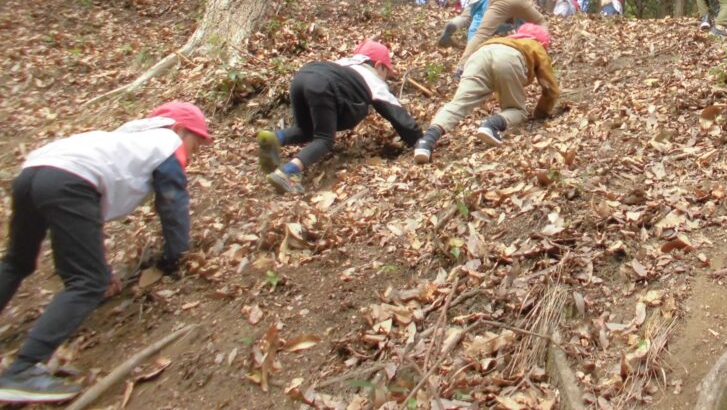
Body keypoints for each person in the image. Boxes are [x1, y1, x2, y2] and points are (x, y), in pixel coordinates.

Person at [0, 103, 210, 403]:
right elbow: (172, 203)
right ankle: (23, 370)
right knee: (88, 283)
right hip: (69, 182)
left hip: (33, 172)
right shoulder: (167, 143)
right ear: (179, 129)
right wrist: (177, 257)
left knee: (17, 261)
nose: (194, 152)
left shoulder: (123, 141)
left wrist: (102, 268)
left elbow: (80, 219)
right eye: (196, 142)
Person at [258, 40, 421, 195]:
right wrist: (419, 139)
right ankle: (288, 173)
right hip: (322, 85)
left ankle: (274, 138)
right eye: (387, 72)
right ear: (379, 66)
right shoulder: (374, 80)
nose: (386, 78)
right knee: (324, 139)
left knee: (306, 129)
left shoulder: (343, 63)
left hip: (302, 76)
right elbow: (396, 113)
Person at [414, 24, 559, 164]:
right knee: (518, 111)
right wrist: (541, 112)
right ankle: (491, 125)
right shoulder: (535, 45)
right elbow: (550, 88)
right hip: (509, 58)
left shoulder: (505, 39)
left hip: (478, 56)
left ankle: (426, 141)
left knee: (458, 104)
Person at [459, 0, 546, 74]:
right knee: (540, 22)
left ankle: (462, 67)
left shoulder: (486, 0)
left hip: (500, 0)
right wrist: (544, 44)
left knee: (482, 34)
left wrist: (464, 60)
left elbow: (479, 33)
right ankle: (541, 51)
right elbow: (541, 21)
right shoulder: (518, 4)